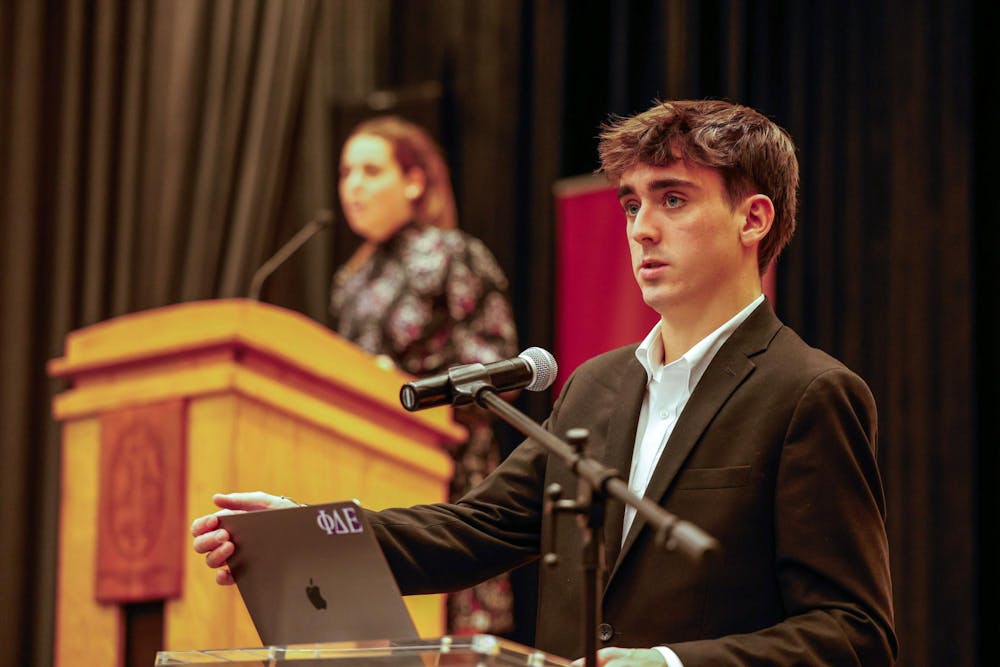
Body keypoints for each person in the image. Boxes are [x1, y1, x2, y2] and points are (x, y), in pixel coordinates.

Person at [194, 99, 897, 666]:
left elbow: (852, 631)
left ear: (753, 218)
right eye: (631, 205)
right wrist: (306, 528)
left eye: (673, 200)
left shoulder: (809, 392)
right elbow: (474, 527)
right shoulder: (596, 386)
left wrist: (667, 663)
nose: (643, 229)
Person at [331, 115, 521, 635]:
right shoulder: (350, 280)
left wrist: (404, 383)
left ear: (414, 181)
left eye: (371, 170)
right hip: (365, 469)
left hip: (446, 475)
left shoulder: (452, 255)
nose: (354, 186)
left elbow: (499, 366)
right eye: (347, 172)